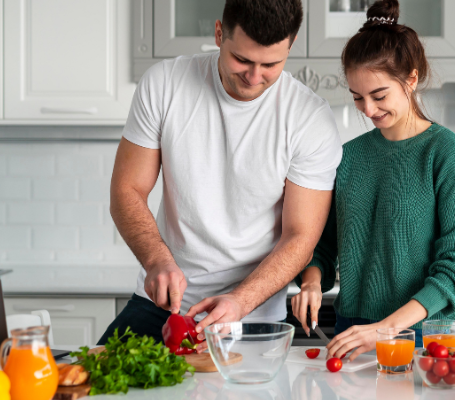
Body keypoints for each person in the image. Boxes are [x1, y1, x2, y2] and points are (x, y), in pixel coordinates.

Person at [98, 0, 342, 346]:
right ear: (218, 34)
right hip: (162, 306)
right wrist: (156, 261)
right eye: (242, 59)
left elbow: (300, 237)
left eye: (271, 64)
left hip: (253, 315)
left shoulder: (309, 119)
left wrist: (240, 301)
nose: (255, 77)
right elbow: (127, 189)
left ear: (292, 44)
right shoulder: (165, 84)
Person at [291, 0, 455, 361]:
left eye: (379, 96)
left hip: (423, 340)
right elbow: (321, 243)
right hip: (353, 331)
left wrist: (387, 329)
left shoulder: (442, 152)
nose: (368, 110)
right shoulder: (348, 156)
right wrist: (312, 281)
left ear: (410, 79)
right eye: (357, 98)